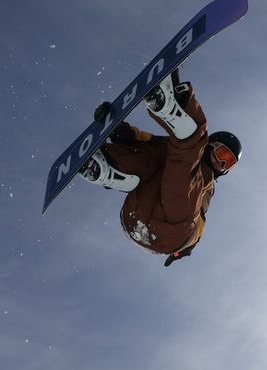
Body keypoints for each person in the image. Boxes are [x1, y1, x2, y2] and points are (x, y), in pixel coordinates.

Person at [78, 76, 241, 266]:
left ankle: (177, 108)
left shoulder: (206, 185)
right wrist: (117, 130)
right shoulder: (172, 149)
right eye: (223, 154)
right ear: (212, 146)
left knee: (186, 152)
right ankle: (110, 168)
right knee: (161, 149)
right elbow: (143, 142)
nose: (221, 163)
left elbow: (197, 219)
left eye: (228, 163)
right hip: (135, 214)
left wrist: (183, 250)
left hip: (171, 233)